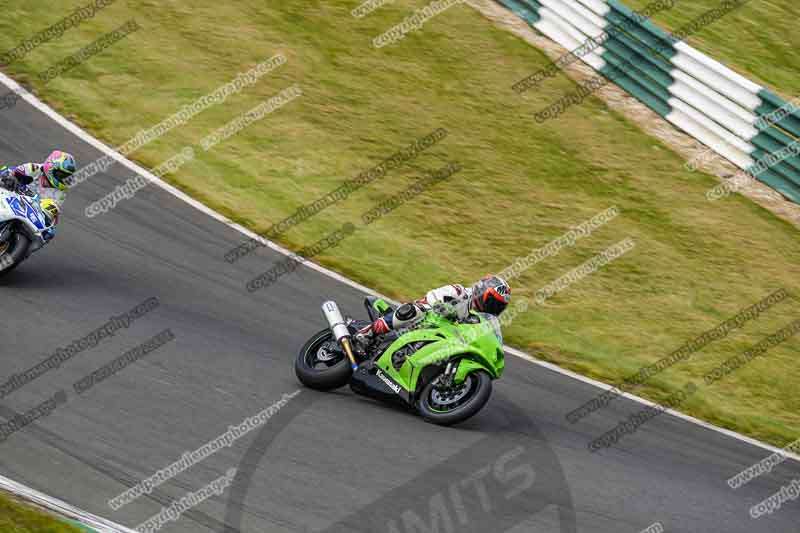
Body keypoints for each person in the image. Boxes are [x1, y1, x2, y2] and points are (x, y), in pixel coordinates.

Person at [355, 275, 511, 348]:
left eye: (498, 306)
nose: (493, 308)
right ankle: (368, 333)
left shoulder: (485, 321)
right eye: (492, 302)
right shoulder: (460, 292)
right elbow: (432, 296)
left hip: (442, 340)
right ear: (481, 291)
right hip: (422, 325)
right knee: (414, 310)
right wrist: (441, 306)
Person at [0, 151, 76, 240]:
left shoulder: (60, 194)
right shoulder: (34, 168)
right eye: (62, 175)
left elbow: (53, 213)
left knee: (48, 234)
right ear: (51, 168)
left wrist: (50, 222)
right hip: (11, 195)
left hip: (30, 212)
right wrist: (10, 177)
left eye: (67, 177)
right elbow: (11, 172)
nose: (64, 179)